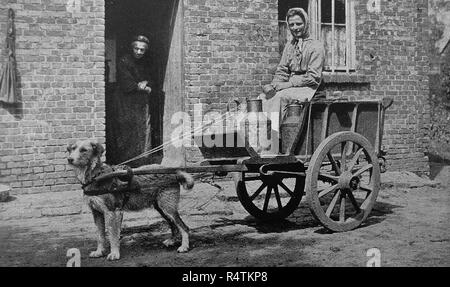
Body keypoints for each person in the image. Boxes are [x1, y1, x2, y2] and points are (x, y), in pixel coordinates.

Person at [258, 7, 325, 155]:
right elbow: (282, 70)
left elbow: (313, 77)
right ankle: (263, 141)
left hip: (310, 88)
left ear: (306, 23)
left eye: (299, 24)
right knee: (262, 98)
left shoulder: (316, 46)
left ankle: (272, 147)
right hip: (292, 86)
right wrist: (275, 85)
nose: (295, 28)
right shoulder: (290, 46)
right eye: (292, 25)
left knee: (280, 98)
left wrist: (286, 85)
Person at [107, 35, 154, 166]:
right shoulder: (124, 61)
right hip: (124, 102)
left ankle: (140, 161)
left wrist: (147, 82)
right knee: (125, 131)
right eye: (136, 49)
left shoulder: (147, 62)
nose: (139, 52)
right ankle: (124, 161)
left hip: (140, 103)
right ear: (132, 48)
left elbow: (151, 78)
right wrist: (143, 88)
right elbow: (127, 84)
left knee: (141, 130)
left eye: (142, 50)